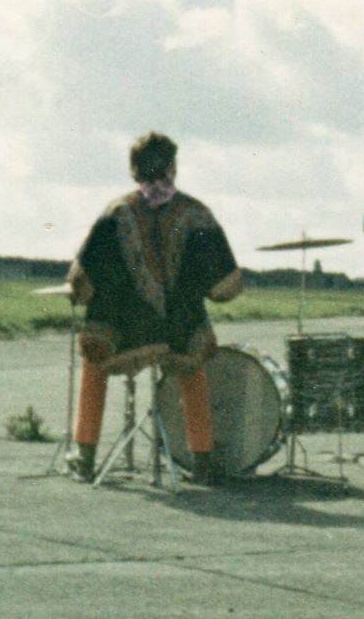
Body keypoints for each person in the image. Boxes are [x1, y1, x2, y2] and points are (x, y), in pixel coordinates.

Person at [66, 132, 244, 485]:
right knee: (193, 368)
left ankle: (85, 456)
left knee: (95, 357)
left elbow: (80, 283)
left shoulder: (115, 213)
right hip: (180, 329)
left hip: (124, 330)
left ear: (134, 170)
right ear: (173, 168)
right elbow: (226, 287)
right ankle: (202, 459)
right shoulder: (197, 215)